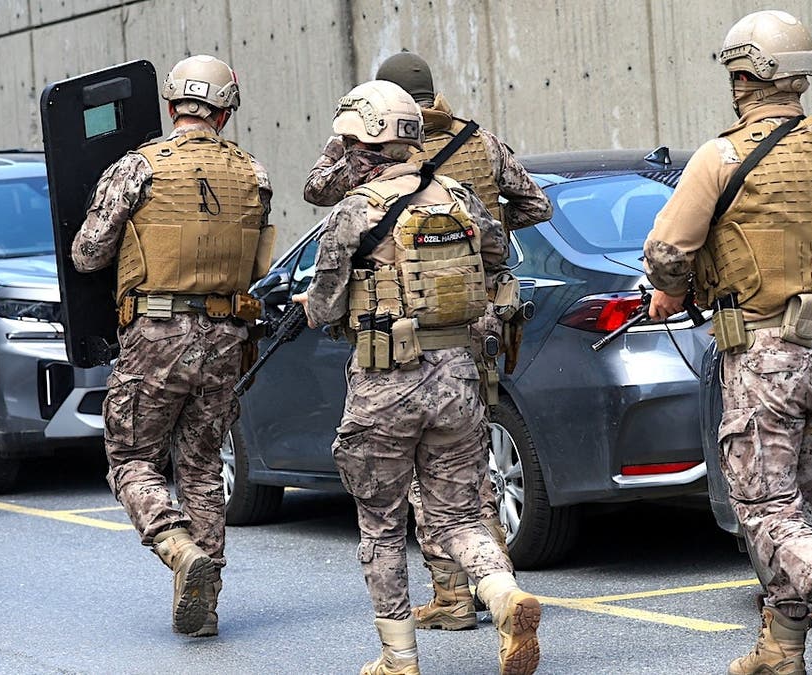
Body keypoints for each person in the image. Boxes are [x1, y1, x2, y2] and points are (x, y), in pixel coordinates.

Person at [642, 11, 812, 675]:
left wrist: (671, 289)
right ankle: (780, 649)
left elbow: (666, 252)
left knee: (764, 506)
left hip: (766, 355)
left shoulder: (723, 155)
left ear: (745, 76)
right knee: (800, 499)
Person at [293, 79, 541, 675]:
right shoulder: (457, 196)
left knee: (380, 523)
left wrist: (314, 303)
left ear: (363, 145)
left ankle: (399, 658)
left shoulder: (357, 208)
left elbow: (326, 305)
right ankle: (503, 595)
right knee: (458, 514)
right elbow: (493, 258)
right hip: (458, 377)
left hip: (386, 383)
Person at [70, 54, 274, 638]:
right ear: (225, 111)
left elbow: (89, 253)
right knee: (204, 466)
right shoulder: (253, 174)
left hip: (156, 335)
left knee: (132, 459)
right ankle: (206, 607)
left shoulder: (138, 168)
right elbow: (256, 259)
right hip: (227, 338)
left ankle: (180, 550)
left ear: (170, 105)